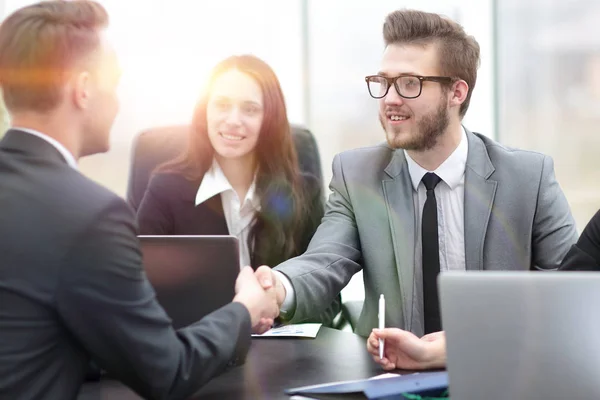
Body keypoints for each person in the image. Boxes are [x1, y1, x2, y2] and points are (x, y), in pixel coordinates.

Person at [256, 8, 578, 369]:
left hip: (502, 370)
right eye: (384, 82)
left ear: (456, 92)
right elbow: (324, 261)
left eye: (410, 83)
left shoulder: (528, 178)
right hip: (392, 375)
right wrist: (277, 287)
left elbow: (568, 297)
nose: (389, 98)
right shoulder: (357, 174)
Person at [0, 2, 278, 399]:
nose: (117, 102)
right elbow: (166, 371)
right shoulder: (89, 217)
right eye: (114, 84)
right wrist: (244, 310)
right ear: (83, 90)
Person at [136, 55, 340, 325]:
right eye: (221, 105)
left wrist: (277, 312)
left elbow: (328, 297)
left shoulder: (303, 192)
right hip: (199, 351)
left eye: (250, 109)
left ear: (270, 119)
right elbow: (136, 286)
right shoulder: (166, 189)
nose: (233, 120)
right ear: (204, 111)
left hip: (282, 356)